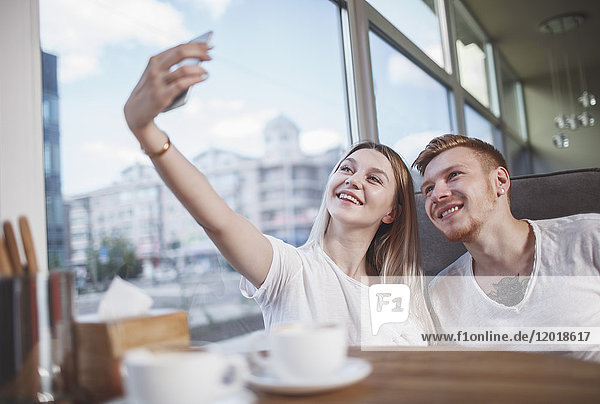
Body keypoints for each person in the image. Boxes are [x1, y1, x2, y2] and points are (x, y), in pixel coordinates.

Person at [124, 40, 433, 346]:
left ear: (392, 211)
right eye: (347, 169)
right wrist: (147, 132)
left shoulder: (399, 297)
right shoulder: (290, 270)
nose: (354, 180)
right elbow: (219, 221)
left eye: (374, 179)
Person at [412, 134, 600, 360]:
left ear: (499, 181)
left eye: (454, 175)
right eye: (428, 189)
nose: (437, 195)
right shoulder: (441, 294)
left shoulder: (589, 237)